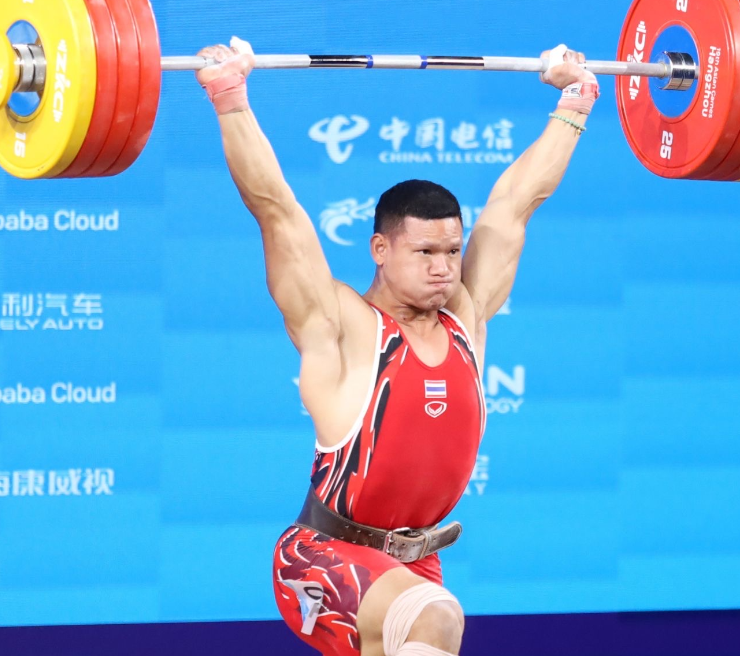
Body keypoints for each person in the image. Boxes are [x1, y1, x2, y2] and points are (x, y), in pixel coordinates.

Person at [195, 37, 598, 656]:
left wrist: (575, 100)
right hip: (320, 556)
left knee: (430, 618)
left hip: (411, 565)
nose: (443, 268)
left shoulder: (465, 317)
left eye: (452, 251)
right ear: (380, 250)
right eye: (424, 252)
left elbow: (515, 206)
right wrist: (230, 98)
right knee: (435, 619)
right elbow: (276, 209)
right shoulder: (340, 324)